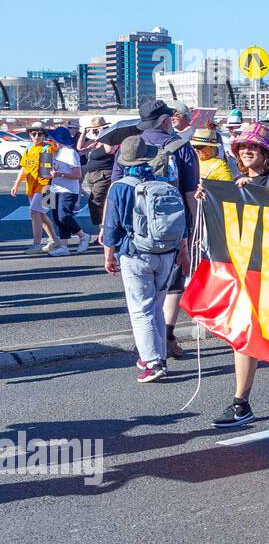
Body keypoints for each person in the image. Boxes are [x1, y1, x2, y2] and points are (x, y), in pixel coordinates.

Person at [204, 124, 269, 427]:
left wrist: (255, 191)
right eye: (241, 148)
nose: (246, 152)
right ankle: (241, 403)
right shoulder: (237, 182)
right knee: (243, 335)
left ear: (266, 153)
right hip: (246, 269)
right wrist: (208, 198)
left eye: (253, 147)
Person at [101, 136, 186, 384]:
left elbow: (112, 226)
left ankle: (152, 362)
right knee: (156, 307)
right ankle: (158, 354)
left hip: (136, 252)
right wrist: (182, 248)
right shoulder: (164, 182)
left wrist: (109, 255)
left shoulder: (120, 187)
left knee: (141, 310)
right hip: (166, 252)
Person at [11, 122, 59, 253]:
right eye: (34, 134)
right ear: (30, 135)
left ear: (44, 135)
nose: (37, 136)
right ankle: (54, 239)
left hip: (46, 186)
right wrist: (16, 184)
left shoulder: (47, 148)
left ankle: (37, 244)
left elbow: (47, 170)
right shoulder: (29, 148)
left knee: (34, 211)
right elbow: (24, 168)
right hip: (31, 186)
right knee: (40, 214)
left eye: (40, 134)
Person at [45, 127, 89, 255]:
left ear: (58, 140)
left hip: (68, 189)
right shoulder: (57, 152)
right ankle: (64, 246)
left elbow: (77, 174)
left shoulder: (70, 153)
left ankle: (83, 235)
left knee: (64, 215)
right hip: (54, 188)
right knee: (57, 218)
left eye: (52, 139)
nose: (50, 140)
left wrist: (60, 174)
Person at [79, 116, 114, 247]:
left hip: (104, 174)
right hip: (93, 175)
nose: (93, 132)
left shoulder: (109, 138)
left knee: (96, 202)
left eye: (95, 129)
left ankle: (105, 233)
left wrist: (103, 133)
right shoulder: (96, 141)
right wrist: (84, 132)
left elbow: (110, 150)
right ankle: (102, 232)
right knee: (98, 205)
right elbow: (80, 148)